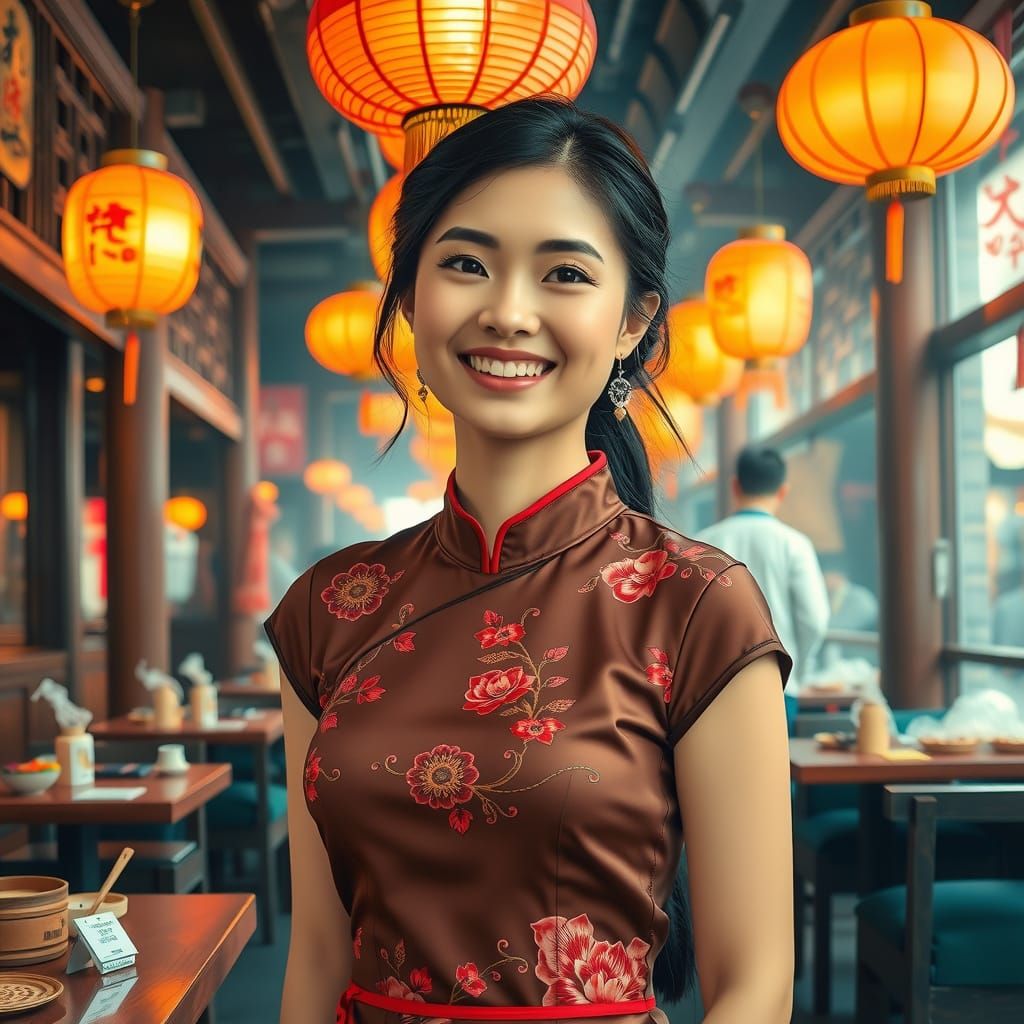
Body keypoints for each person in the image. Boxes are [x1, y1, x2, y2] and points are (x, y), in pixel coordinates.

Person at [265, 97, 795, 1024]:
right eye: (466, 263)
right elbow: (314, 953)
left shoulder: (698, 603)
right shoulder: (330, 606)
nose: (508, 312)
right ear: (414, 297)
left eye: (563, 274)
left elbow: (755, 985)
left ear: (632, 323)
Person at [698, 446, 829, 687]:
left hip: (717, 683)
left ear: (735, 486)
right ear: (782, 491)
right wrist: (799, 667)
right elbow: (815, 620)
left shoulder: (704, 542)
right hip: (780, 678)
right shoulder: (795, 544)